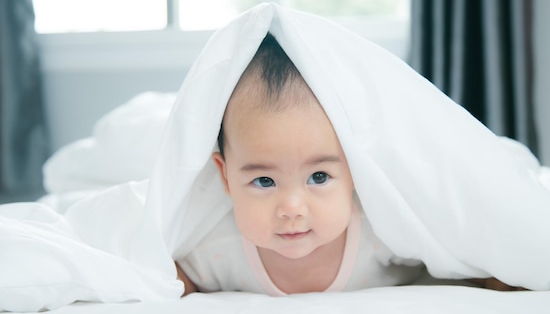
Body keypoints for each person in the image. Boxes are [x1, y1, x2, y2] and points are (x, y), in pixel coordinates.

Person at [174, 34, 521, 296]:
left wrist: (493, 274)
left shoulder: (381, 231)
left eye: (319, 176)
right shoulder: (216, 249)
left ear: (355, 169)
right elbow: (167, 274)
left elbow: (450, 250)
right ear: (225, 176)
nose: (292, 208)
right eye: (264, 181)